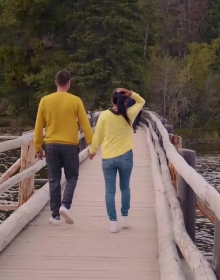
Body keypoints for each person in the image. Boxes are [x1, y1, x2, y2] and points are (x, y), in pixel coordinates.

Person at [34, 70, 94, 226]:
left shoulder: (45, 101)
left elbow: (38, 127)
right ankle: (65, 205)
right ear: (68, 83)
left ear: (56, 82)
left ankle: (55, 216)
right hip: (70, 145)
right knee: (72, 176)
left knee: (53, 179)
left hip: (51, 145)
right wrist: (92, 145)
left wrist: (38, 147)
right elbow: (85, 125)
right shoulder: (75, 101)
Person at [88, 88, 145, 233]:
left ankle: (113, 222)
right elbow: (141, 102)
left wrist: (93, 151)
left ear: (111, 100)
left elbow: (98, 135)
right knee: (125, 187)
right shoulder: (129, 114)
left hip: (108, 158)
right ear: (125, 100)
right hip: (126, 156)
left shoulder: (104, 116)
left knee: (110, 191)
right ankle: (124, 218)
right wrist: (131, 93)